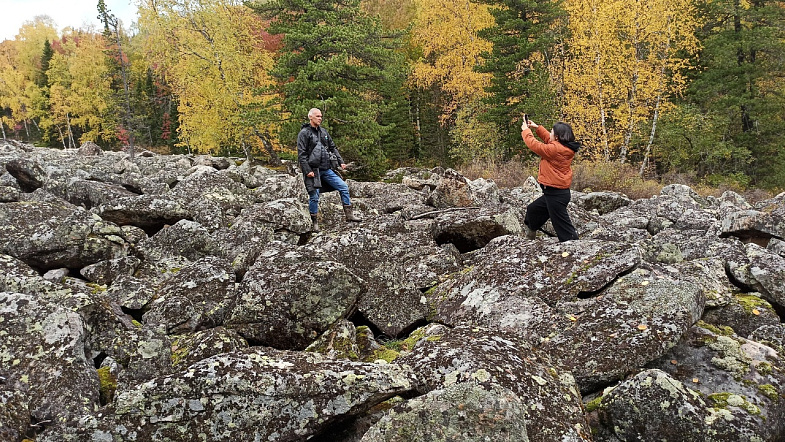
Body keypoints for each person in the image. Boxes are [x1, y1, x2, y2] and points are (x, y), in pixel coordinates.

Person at [297, 108, 360, 232]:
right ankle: (314, 223)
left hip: (326, 169)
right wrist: (307, 170)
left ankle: (349, 215)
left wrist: (341, 162)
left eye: (321, 116)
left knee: (343, 187)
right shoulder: (304, 133)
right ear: (311, 117)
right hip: (313, 171)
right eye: (317, 116)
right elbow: (301, 154)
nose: (320, 118)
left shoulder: (324, 132)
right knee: (314, 196)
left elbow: (332, 147)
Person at [520, 116, 580, 242]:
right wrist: (538, 128)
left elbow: (535, 145)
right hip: (553, 193)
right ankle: (530, 237)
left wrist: (526, 130)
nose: (550, 133)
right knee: (533, 211)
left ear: (557, 137)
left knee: (565, 231)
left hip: (556, 195)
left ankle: (574, 249)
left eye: (552, 132)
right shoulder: (564, 147)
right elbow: (549, 139)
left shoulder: (555, 150)